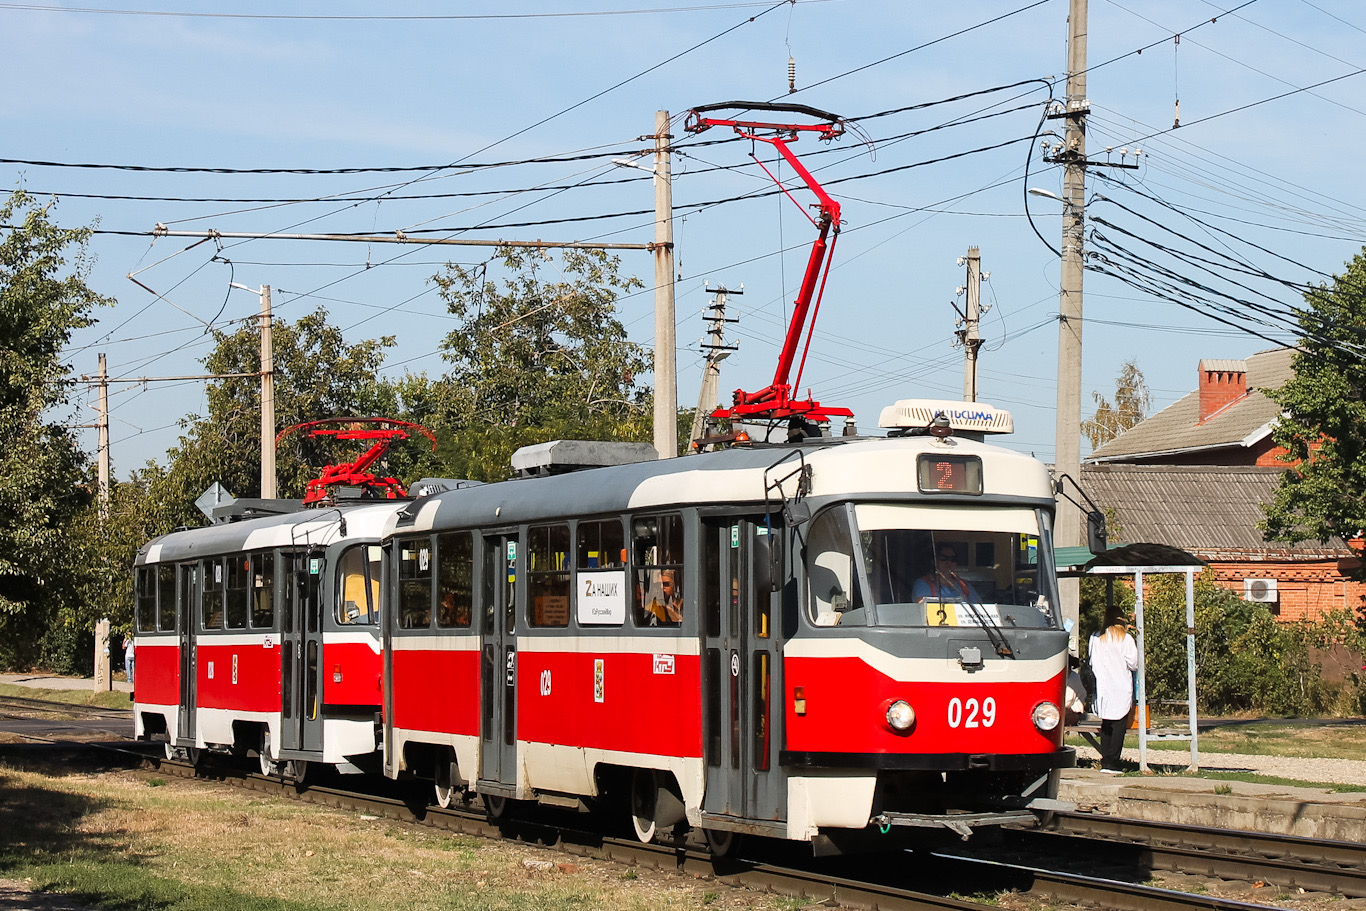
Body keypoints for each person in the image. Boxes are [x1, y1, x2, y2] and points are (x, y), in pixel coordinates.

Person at [1088, 609, 1139, 773]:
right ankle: (1113, 760)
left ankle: (1106, 759)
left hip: (1103, 687)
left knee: (1107, 724)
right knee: (1119, 725)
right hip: (1120, 685)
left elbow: (1091, 660)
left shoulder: (1096, 637)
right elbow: (1133, 663)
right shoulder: (1125, 639)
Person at [911, 545, 982, 603]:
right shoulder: (923, 584)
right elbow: (922, 610)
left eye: (952, 559)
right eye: (943, 558)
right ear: (934, 561)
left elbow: (979, 607)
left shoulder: (964, 585)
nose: (949, 562)